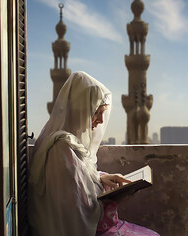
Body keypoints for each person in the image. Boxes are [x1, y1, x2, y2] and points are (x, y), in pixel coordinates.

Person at [28, 71, 160, 236]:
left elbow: (76, 180)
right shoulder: (61, 149)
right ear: (81, 109)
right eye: (97, 112)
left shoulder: (69, 143)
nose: (101, 120)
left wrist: (101, 178)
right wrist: (115, 201)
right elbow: (77, 213)